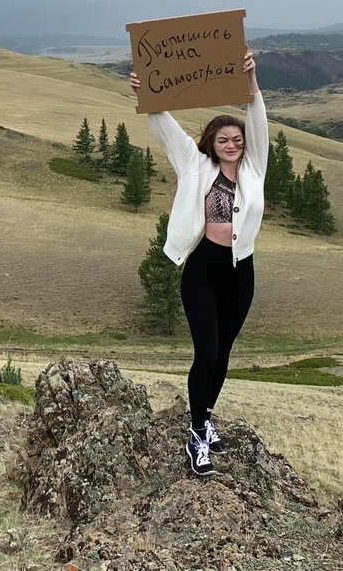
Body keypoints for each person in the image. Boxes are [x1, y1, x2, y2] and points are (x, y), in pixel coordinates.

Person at [130, 47, 265, 477]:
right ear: (211, 142)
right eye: (224, 139)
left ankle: (206, 417)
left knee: (223, 353)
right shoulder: (195, 165)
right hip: (203, 270)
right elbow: (165, 129)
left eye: (237, 140)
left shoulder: (254, 169)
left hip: (240, 271)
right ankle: (195, 437)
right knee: (205, 353)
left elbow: (258, 120)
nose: (232, 144)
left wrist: (251, 82)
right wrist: (148, 93)